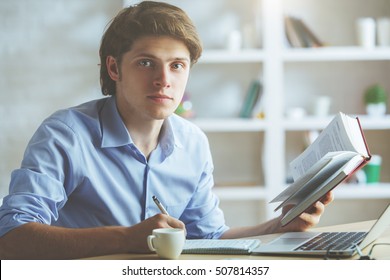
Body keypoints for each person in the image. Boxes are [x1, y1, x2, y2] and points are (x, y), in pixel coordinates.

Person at [0, 1, 333, 259]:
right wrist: (126, 237)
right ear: (114, 68)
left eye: (177, 65)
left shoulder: (194, 143)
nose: (164, 80)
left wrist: (280, 226)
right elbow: (12, 237)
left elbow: (209, 238)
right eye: (146, 63)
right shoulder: (65, 134)